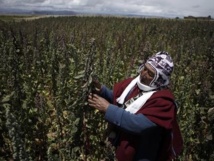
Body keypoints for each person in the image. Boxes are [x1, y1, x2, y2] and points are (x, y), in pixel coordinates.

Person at [88, 51, 183, 161]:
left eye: (150, 73)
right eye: (145, 68)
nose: (143, 73)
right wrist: (102, 91)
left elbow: (138, 124)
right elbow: (121, 101)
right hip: (119, 147)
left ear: (159, 79)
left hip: (140, 154)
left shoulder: (164, 102)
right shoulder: (134, 84)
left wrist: (108, 109)